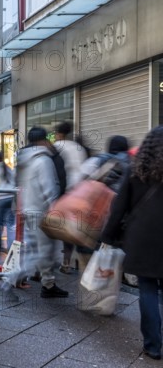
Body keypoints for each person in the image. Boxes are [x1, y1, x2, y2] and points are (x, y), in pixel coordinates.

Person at [101, 126, 163, 361]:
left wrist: (108, 236)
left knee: (147, 289)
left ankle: (153, 345)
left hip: (142, 237)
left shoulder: (136, 170)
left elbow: (119, 207)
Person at [0, 127, 65, 302]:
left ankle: (48, 284)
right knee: (40, 253)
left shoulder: (25, 159)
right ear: (43, 140)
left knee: (39, 251)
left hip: (29, 210)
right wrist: (56, 209)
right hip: (40, 212)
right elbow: (50, 188)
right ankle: (8, 283)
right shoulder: (43, 160)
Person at [74, 135, 131, 271]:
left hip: (91, 219)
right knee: (111, 265)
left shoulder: (95, 161)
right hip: (117, 224)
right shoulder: (131, 165)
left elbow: (78, 187)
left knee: (87, 264)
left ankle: (87, 288)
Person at [54, 121, 87, 273]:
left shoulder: (57, 146)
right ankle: (67, 262)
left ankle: (44, 267)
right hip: (79, 192)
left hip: (62, 193)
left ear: (59, 134)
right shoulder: (78, 148)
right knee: (71, 229)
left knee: (54, 227)